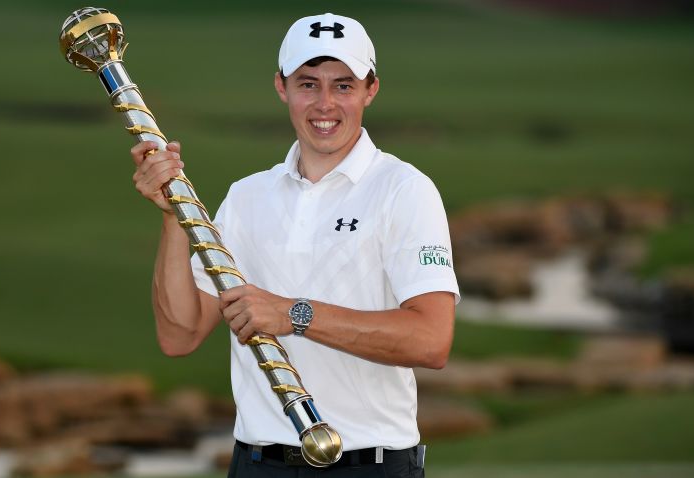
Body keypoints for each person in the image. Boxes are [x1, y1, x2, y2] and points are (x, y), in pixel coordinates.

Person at [131, 13, 459, 478]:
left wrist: (295, 314)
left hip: (370, 465)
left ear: (371, 90)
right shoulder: (246, 197)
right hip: (259, 462)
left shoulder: (405, 191)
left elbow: (432, 341)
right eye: (309, 84)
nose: (325, 104)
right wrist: (172, 218)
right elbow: (179, 336)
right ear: (281, 87)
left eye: (343, 86)